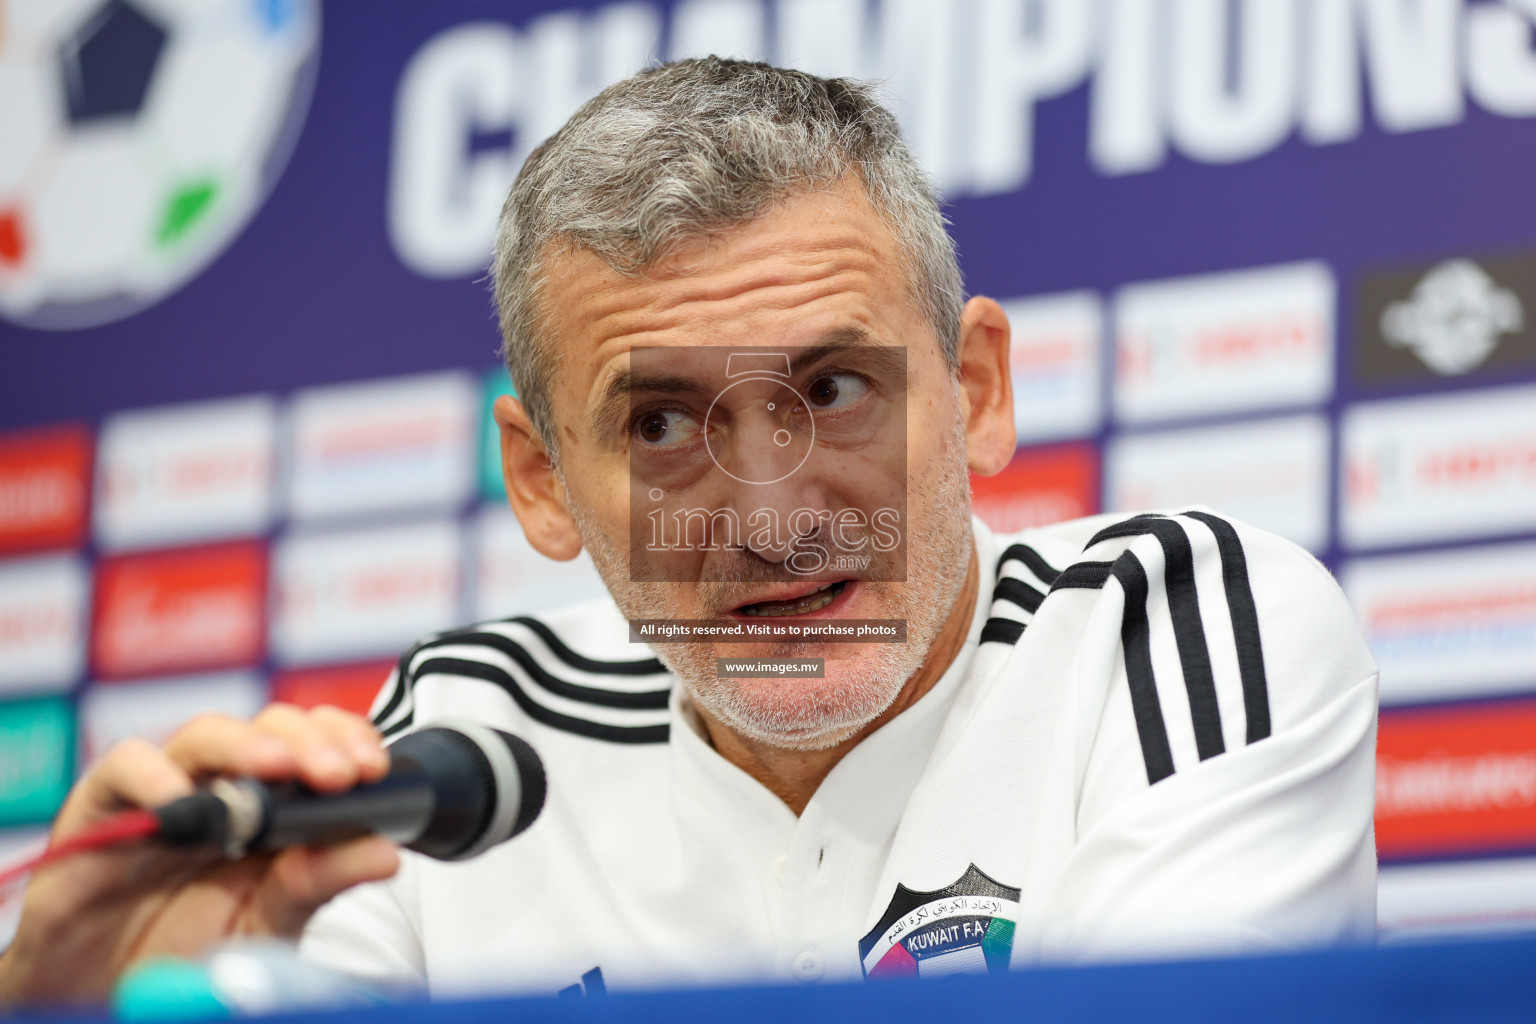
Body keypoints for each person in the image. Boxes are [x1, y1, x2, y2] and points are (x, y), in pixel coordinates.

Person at [0, 58, 1378, 1004]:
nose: (771, 518)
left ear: (974, 395)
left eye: (835, 391)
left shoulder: (1181, 629)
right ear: (543, 482)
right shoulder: (469, 739)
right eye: (661, 426)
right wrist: (73, 1015)